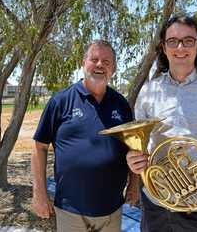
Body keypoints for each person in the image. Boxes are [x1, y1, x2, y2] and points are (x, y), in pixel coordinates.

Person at [126, 15, 197, 232]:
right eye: (173, 41)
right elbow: (138, 146)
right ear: (164, 48)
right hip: (156, 203)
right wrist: (133, 159)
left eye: (188, 40)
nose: (180, 47)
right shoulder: (149, 91)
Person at [31, 40, 138, 232]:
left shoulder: (121, 104)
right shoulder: (60, 101)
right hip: (70, 210)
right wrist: (39, 193)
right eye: (94, 59)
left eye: (106, 62)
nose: (99, 65)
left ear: (113, 68)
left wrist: (134, 184)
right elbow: (39, 147)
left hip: (112, 209)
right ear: (83, 63)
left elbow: (133, 147)